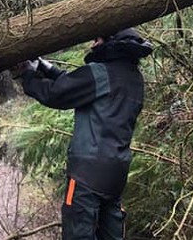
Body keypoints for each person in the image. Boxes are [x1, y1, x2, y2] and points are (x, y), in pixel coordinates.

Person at [14, 28, 152, 240]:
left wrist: (28, 74)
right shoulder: (134, 78)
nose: (92, 45)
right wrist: (47, 68)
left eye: (96, 39)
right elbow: (77, 85)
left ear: (111, 41)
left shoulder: (100, 72)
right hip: (116, 173)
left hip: (86, 174)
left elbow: (56, 94)